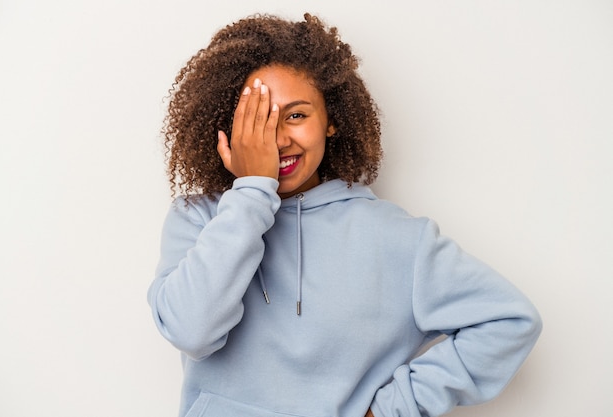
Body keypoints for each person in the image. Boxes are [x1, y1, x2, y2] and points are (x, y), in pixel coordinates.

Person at [147, 13, 542, 417]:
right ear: (228, 128)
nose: (279, 139)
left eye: (297, 115)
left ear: (331, 121)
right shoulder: (198, 219)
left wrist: (393, 408)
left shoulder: (398, 239)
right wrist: (251, 193)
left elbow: (509, 320)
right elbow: (190, 331)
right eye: (259, 120)